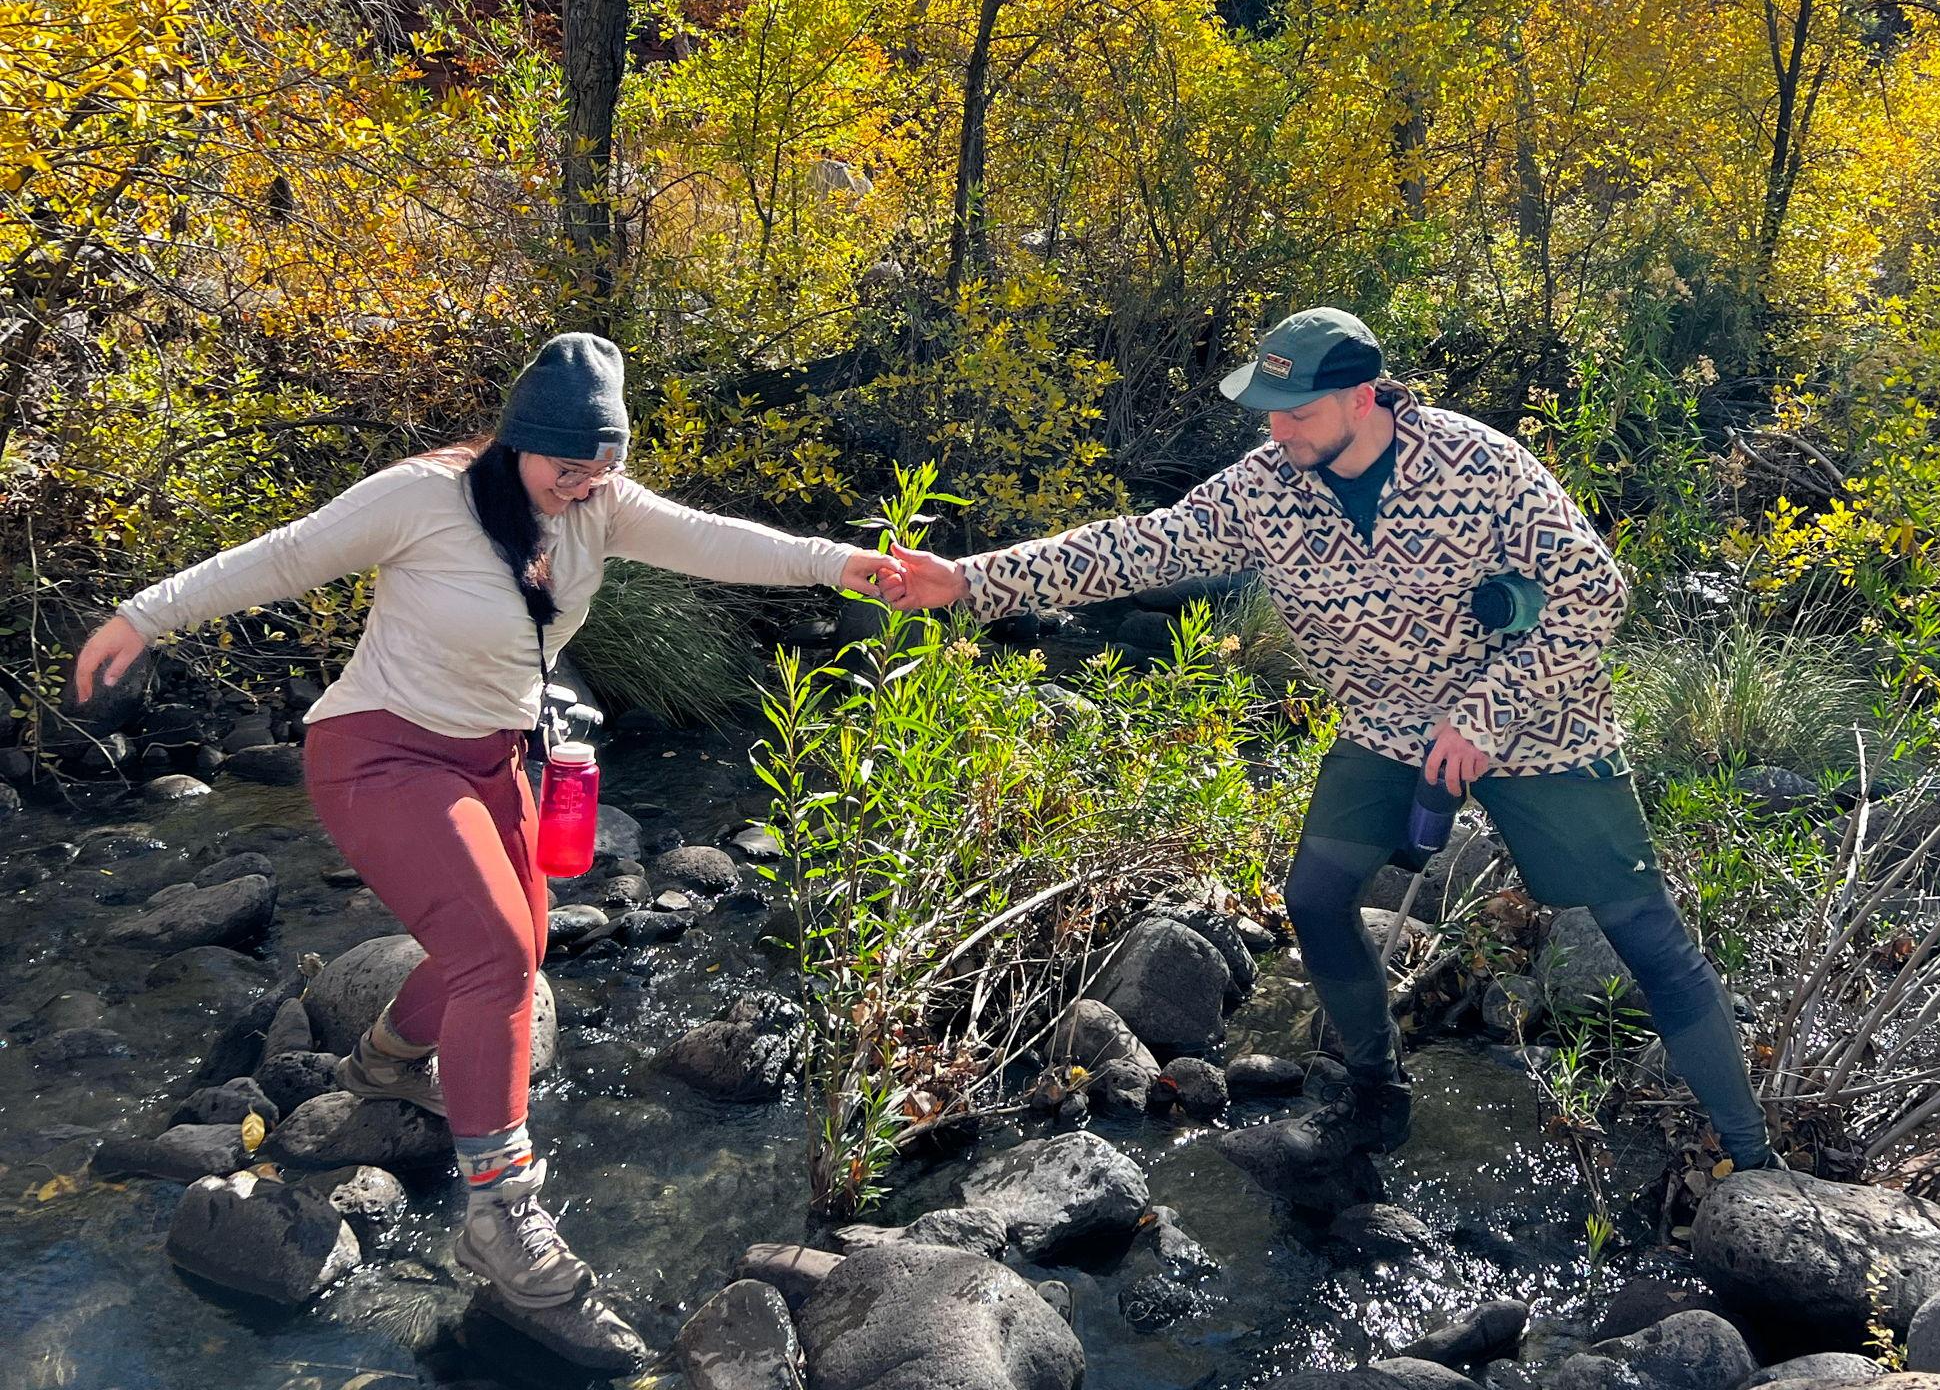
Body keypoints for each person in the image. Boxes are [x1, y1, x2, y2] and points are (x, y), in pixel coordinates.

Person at [72, 332, 905, 1308]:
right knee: (498, 957)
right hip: (380, 754)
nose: (585, 485)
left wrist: (843, 562)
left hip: (491, 755)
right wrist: (142, 614)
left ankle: (382, 1057)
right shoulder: (424, 494)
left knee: (526, 937)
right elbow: (287, 555)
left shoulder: (600, 504)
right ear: (518, 440)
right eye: (568, 464)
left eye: (605, 467)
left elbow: (720, 538)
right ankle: (498, 1212)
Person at [886, 307, 1777, 1189]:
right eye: (1267, 411)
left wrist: (1487, 714)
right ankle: (1378, 1090)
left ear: (1362, 397)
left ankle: (1754, 1159)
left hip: (1544, 728)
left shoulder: (1482, 464)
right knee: (1315, 898)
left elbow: (1594, 593)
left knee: (1646, 938)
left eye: (1296, 411)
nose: (1276, 430)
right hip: (1388, 725)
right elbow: (1137, 548)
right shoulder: (1265, 486)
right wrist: (968, 581)